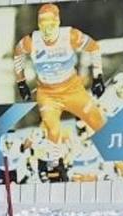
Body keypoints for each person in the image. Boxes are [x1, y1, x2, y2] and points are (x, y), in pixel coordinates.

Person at [13, 3, 105, 172]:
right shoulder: (32, 40)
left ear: (58, 22)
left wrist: (98, 76)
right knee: (53, 130)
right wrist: (21, 82)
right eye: (43, 26)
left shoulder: (69, 35)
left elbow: (94, 47)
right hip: (48, 94)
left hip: (72, 90)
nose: (47, 31)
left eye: (51, 26)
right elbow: (17, 52)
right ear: (38, 25)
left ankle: (121, 162)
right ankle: (55, 166)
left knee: (98, 123)